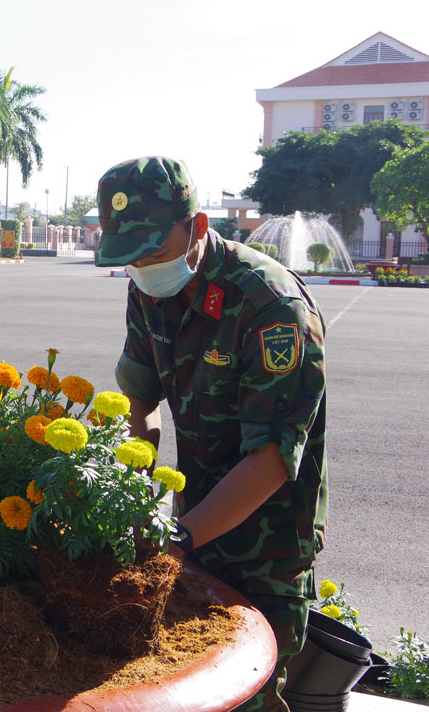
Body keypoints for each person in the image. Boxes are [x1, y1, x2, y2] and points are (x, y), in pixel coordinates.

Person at [94, 157, 327, 712]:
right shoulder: (149, 287)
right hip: (196, 528)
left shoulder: (270, 307)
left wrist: (175, 542)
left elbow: (270, 460)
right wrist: (129, 498)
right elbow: (140, 403)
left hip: (265, 551)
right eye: (128, 257)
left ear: (198, 227)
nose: (143, 267)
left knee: (244, 696)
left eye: (152, 249)